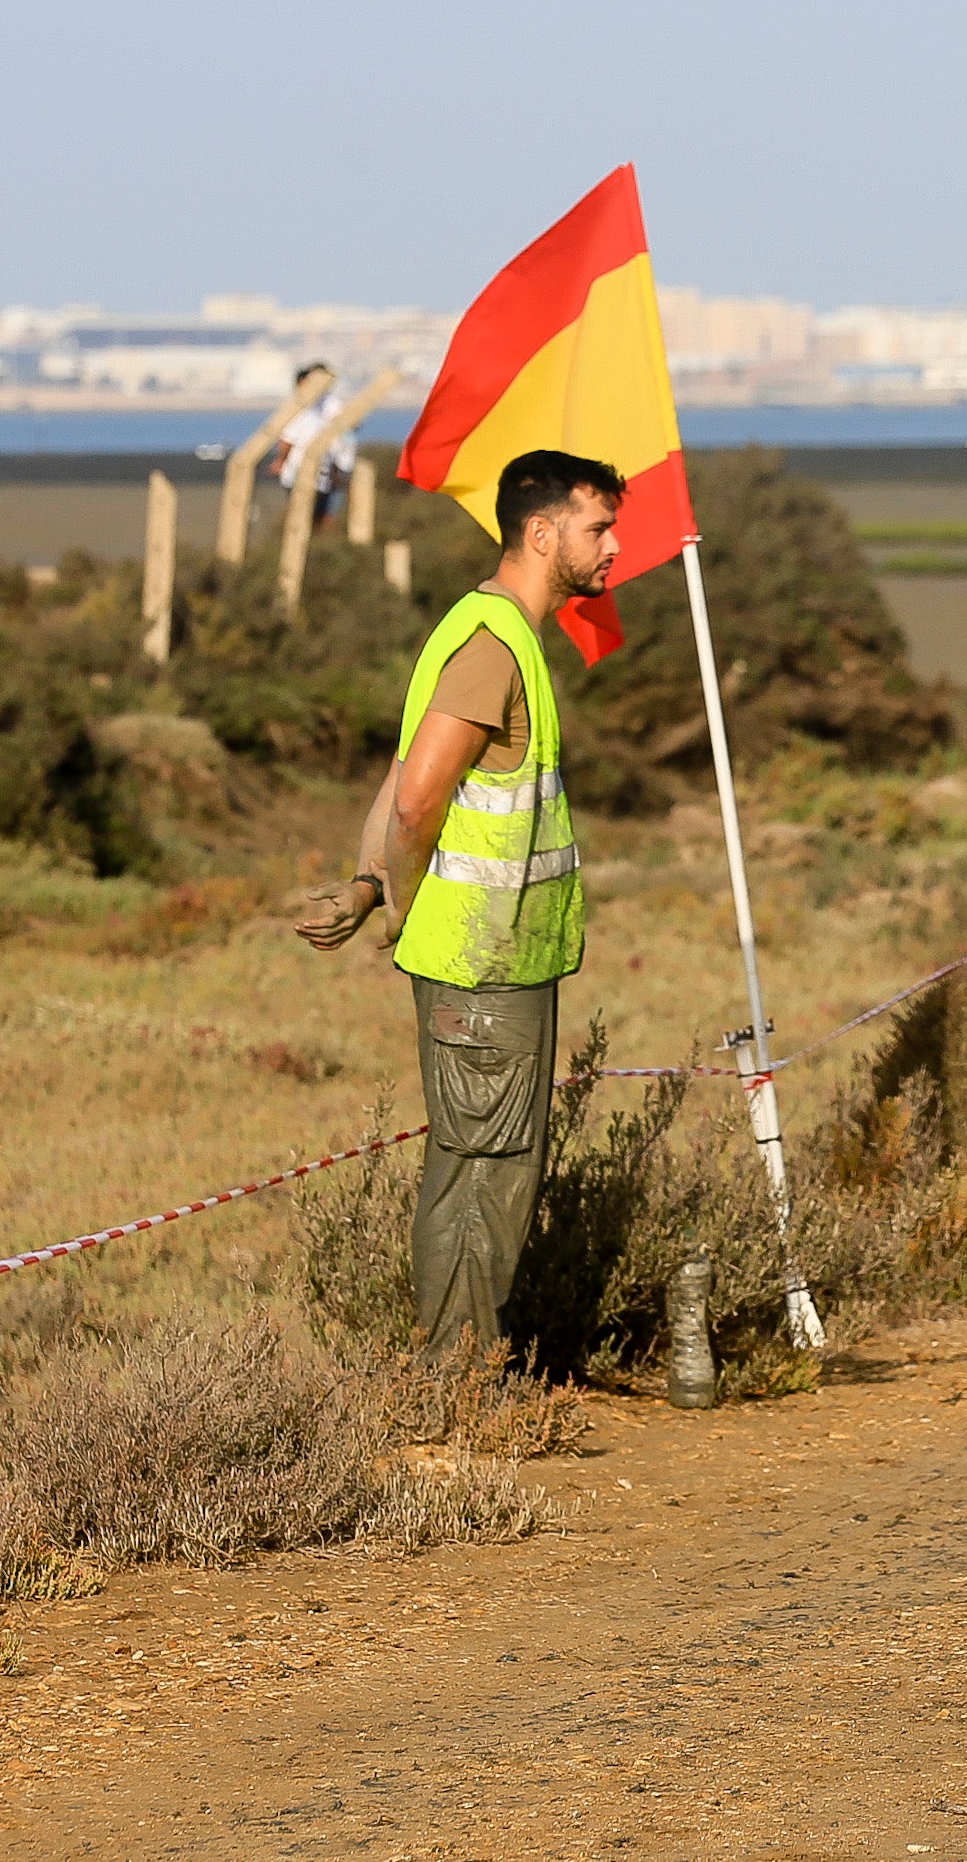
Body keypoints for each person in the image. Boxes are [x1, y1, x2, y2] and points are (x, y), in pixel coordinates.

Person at [293, 450, 624, 1352]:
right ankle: (458, 1393)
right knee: (482, 1178)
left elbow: (409, 772)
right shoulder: (493, 644)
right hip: (479, 967)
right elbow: (414, 799)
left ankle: (463, 1382)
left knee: (489, 1170)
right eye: (600, 528)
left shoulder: (489, 632)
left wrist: (367, 886)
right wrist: (396, 901)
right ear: (542, 532)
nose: (614, 547)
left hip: (496, 963)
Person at [272, 362, 359, 526]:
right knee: (303, 517)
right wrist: (281, 461)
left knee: (324, 517)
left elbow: (349, 429)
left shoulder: (330, 404)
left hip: (328, 471)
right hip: (299, 472)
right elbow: (287, 439)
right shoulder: (301, 409)